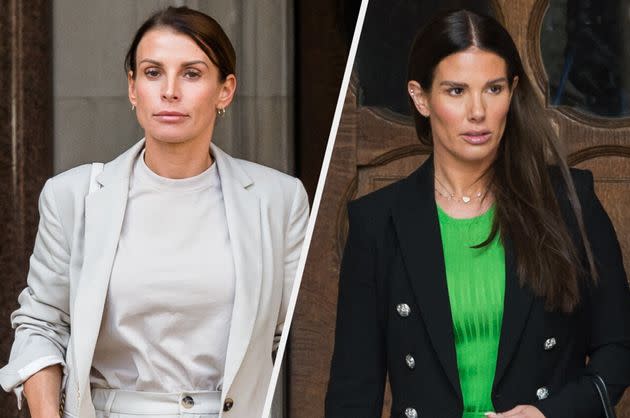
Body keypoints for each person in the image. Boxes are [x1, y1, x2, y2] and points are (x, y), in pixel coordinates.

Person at [0, 6, 308, 418]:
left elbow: (303, 337)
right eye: (152, 72)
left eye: (192, 73)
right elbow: (41, 325)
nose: (170, 91)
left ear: (225, 90)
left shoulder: (279, 199)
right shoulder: (73, 197)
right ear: (132, 88)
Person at [325, 9, 630, 418]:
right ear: (420, 97)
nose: (477, 112)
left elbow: (619, 346)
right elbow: (352, 395)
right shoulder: (378, 223)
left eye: (493, 89)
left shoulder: (569, 202)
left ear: (513, 90)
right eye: (456, 91)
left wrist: (549, 414)